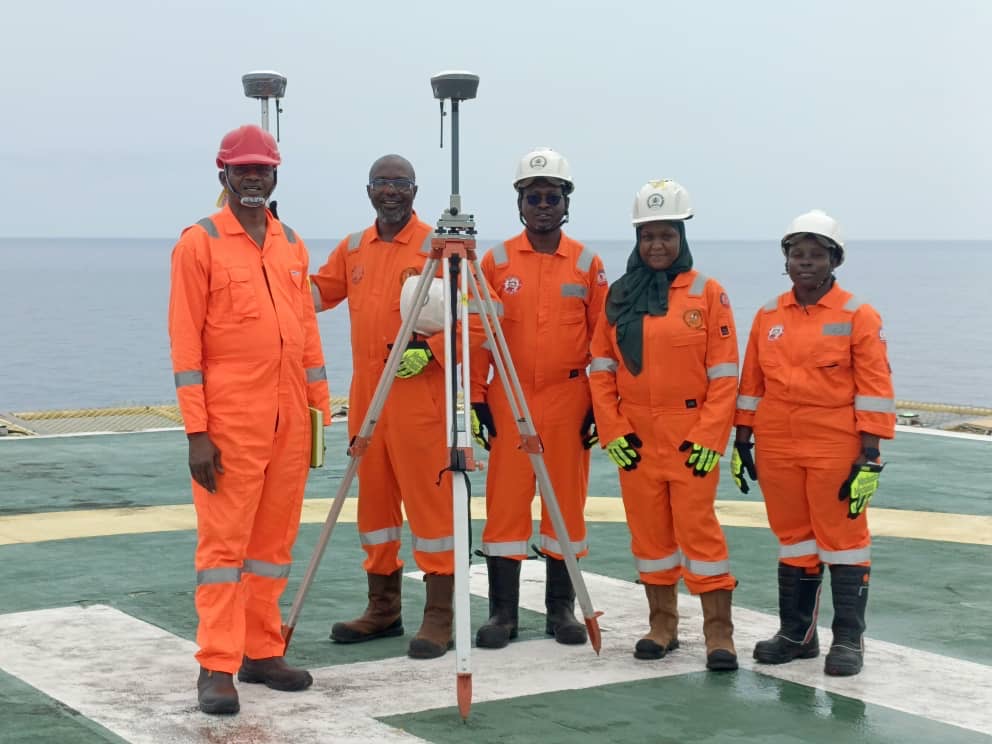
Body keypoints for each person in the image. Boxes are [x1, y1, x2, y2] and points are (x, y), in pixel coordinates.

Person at [168, 124, 331, 715]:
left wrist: (319, 410)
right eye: (243, 170)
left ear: (275, 175)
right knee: (224, 549)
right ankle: (217, 665)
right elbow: (185, 347)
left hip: (289, 423)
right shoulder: (200, 243)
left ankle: (262, 651)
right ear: (225, 175)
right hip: (230, 426)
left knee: (272, 545)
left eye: (263, 169)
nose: (254, 177)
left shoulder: (292, 244)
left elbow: (306, 335)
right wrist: (197, 432)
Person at [310, 154, 486, 660]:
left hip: (420, 405)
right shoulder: (353, 249)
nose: (390, 191)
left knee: (431, 508)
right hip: (369, 402)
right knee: (375, 509)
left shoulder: (441, 248)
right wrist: (272, 267)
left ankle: (440, 614)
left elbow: (480, 320)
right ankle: (382, 606)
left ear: (415, 191)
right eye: (382, 183)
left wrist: (430, 350)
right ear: (368, 190)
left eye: (400, 183)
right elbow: (315, 294)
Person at [733, 209, 895, 677]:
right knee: (793, 538)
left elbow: (875, 387)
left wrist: (870, 454)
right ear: (785, 260)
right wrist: (742, 439)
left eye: (816, 255)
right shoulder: (768, 315)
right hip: (777, 443)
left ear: (834, 260)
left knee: (844, 541)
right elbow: (751, 382)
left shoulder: (858, 315)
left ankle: (848, 640)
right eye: (797, 254)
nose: (805, 262)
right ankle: (796, 634)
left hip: (835, 443)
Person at [589, 179, 740, 671]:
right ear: (638, 240)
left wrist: (710, 436)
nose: (657, 245)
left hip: (690, 435)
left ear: (682, 238)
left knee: (700, 533)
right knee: (649, 535)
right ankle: (663, 626)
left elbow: (724, 374)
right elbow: (601, 369)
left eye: (666, 236)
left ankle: (719, 633)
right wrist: (613, 430)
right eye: (647, 236)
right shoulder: (618, 297)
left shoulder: (707, 293)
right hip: (635, 437)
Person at [468, 148, 608, 649]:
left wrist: (600, 406)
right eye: (534, 197)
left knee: (565, 503)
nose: (543, 206)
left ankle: (560, 610)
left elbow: (604, 342)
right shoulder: (495, 261)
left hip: (569, 395)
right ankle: (502, 614)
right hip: (509, 396)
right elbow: (479, 334)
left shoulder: (588, 264)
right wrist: (477, 398)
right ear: (520, 203)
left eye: (552, 197)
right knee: (506, 503)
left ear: (566, 202)